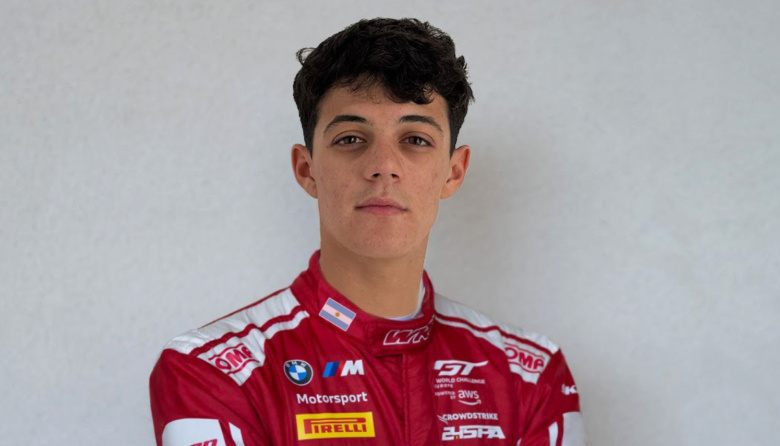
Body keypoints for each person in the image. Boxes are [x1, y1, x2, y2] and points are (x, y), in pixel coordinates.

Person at [149, 17, 585, 445]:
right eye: (351, 139)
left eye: (415, 140)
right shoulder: (211, 371)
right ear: (307, 169)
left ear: (453, 172)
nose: (384, 167)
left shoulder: (531, 375)